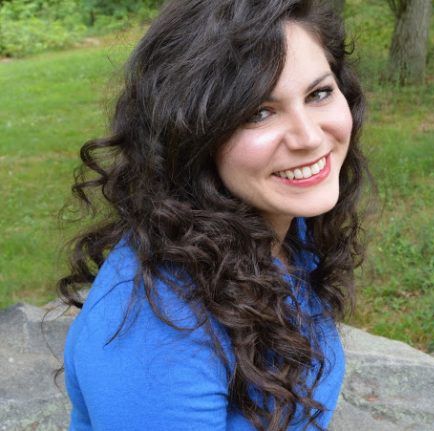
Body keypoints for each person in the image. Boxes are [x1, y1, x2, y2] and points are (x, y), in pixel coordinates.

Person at [59, 0, 369, 430]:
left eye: (318, 94)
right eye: (258, 113)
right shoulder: (159, 329)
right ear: (191, 136)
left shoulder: (282, 226)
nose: (309, 137)